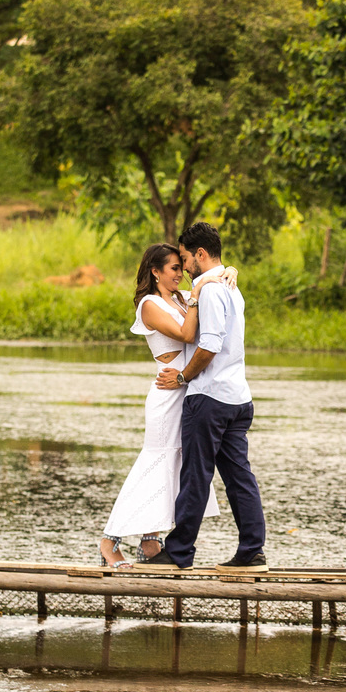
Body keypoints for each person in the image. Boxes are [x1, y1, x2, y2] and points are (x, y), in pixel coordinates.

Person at [98, 242, 235, 568]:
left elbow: (210, 306)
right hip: (166, 391)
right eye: (174, 268)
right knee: (156, 462)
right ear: (155, 271)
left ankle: (150, 540)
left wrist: (226, 272)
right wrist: (200, 290)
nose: (181, 273)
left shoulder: (178, 298)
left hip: (185, 387)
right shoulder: (148, 305)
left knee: (176, 465)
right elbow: (189, 334)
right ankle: (109, 539)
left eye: (181, 266)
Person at [147, 221, 267, 569]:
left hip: (210, 398)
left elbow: (210, 344)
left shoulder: (213, 290)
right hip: (238, 398)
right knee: (239, 477)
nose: (183, 267)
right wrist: (222, 272)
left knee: (195, 475)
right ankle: (252, 552)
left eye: (185, 258)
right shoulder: (229, 287)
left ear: (200, 254)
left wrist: (183, 376)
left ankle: (179, 553)